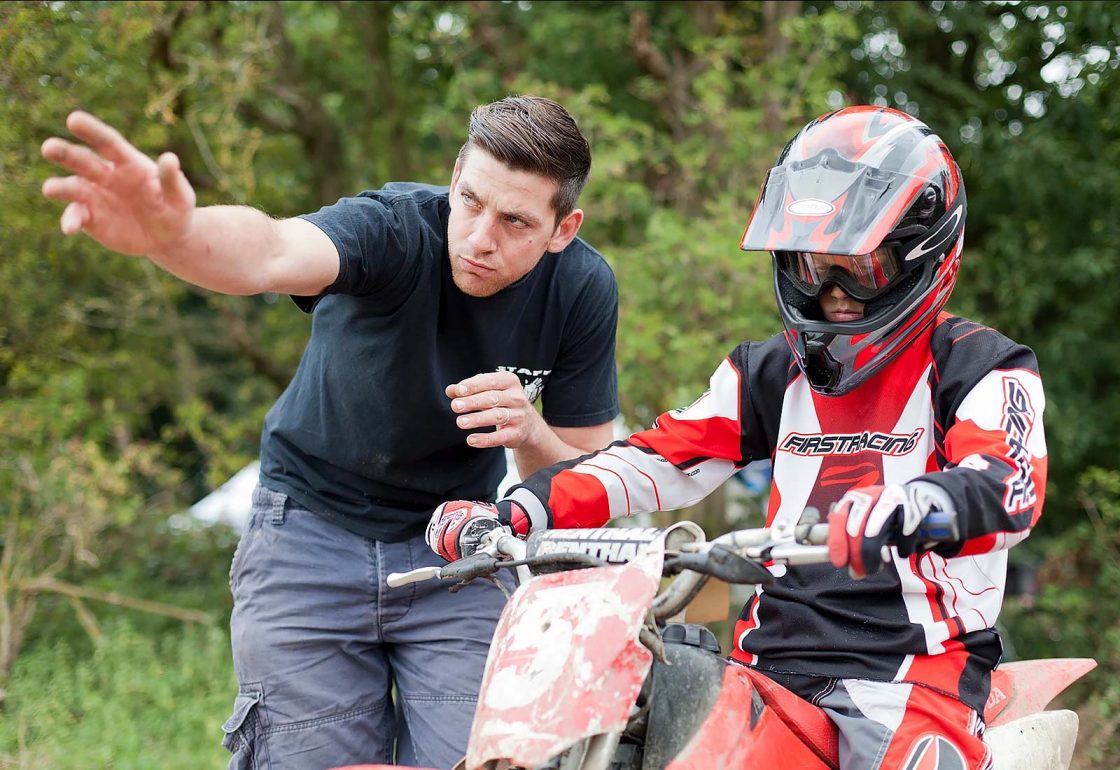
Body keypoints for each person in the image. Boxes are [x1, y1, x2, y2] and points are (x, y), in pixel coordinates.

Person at [427, 106, 1046, 770]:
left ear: (924, 257)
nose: (830, 293)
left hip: (913, 675)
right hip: (770, 664)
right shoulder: (769, 372)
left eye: (858, 269)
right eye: (811, 266)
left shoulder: (979, 366)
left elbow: (1009, 483)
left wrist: (912, 506)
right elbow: (656, 458)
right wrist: (519, 508)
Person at [40, 96, 619, 770]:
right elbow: (270, 249)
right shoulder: (394, 229)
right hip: (307, 537)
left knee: (493, 760)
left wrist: (528, 433)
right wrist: (175, 234)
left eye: (515, 221)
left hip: (457, 551)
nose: (479, 237)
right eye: (470, 201)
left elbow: (591, 476)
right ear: (456, 175)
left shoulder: (581, 289)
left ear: (562, 228)